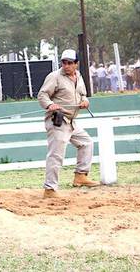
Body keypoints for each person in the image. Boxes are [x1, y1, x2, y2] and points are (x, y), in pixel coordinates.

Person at [37, 49, 100, 199]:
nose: (66, 66)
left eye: (70, 63)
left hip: (71, 121)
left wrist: (85, 101)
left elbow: (83, 94)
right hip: (58, 120)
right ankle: (50, 189)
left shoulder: (78, 76)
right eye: (64, 62)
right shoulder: (54, 77)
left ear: (76, 64)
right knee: (56, 155)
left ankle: (80, 176)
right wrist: (50, 104)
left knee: (86, 143)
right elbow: (42, 95)